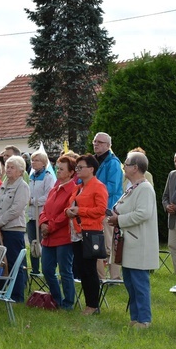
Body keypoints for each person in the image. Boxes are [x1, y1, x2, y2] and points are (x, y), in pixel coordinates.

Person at [107, 152, 159, 328]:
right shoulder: (132, 187)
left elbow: (143, 213)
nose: (124, 167)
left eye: (127, 164)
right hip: (128, 242)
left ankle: (144, 320)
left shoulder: (144, 188)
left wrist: (118, 219)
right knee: (130, 283)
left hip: (139, 243)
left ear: (135, 167)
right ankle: (135, 318)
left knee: (139, 283)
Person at [66, 154, 108, 315]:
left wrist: (80, 211)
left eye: (80, 167)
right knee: (81, 269)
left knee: (89, 270)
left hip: (91, 232)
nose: (77, 170)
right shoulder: (78, 187)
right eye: (77, 167)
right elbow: (70, 204)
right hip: (76, 232)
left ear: (91, 169)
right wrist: (67, 212)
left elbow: (101, 210)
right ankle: (89, 303)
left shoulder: (98, 186)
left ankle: (93, 305)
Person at [0, 155, 30, 303]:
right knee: (0, 262)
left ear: (20, 171)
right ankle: (2, 291)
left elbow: (16, 209)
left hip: (13, 229)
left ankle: (17, 296)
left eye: (12, 167)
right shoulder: (4, 184)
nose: (8, 169)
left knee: (13, 263)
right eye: (7, 166)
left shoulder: (22, 186)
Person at [38, 155, 76, 310]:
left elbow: (66, 214)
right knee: (47, 269)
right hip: (48, 236)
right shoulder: (54, 188)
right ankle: (56, 299)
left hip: (63, 236)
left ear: (71, 172)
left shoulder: (73, 189)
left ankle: (68, 303)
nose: (57, 171)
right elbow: (45, 209)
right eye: (57, 168)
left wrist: (50, 226)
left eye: (61, 169)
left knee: (65, 271)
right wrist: (42, 223)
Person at [93, 132, 123, 281]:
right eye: (95, 141)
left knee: (110, 246)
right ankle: (100, 277)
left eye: (100, 142)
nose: (96, 144)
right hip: (94, 210)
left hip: (108, 208)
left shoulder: (113, 163)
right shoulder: (93, 161)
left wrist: (93, 190)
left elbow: (112, 187)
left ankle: (115, 278)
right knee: (97, 246)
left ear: (108, 146)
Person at [27, 151, 56, 274]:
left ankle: (46, 268)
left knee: (43, 243)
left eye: (37, 160)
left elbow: (49, 195)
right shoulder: (30, 176)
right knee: (32, 242)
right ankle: (34, 269)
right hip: (30, 215)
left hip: (42, 214)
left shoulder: (48, 176)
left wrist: (33, 201)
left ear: (44, 162)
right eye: (32, 160)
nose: (33, 163)